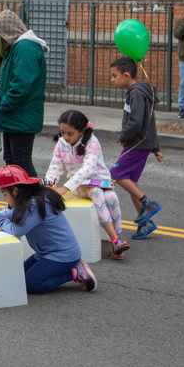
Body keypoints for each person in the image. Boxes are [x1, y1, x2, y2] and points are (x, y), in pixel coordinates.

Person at [0, 165, 96, 294]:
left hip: (62, 255)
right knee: (18, 276)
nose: (6, 200)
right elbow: (11, 213)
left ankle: (74, 272)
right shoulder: (30, 199)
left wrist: (1, 223)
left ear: (15, 191)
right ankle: (67, 269)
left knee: (31, 284)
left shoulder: (35, 204)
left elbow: (17, 230)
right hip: (46, 253)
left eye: (5, 195)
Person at [44, 109, 129, 260]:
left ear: (82, 131)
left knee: (111, 197)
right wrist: (48, 184)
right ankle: (116, 240)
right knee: (97, 194)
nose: (65, 137)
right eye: (62, 132)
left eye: (70, 134)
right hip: (80, 185)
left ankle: (117, 241)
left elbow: (88, 169)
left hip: (100, 180)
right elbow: (55, 168)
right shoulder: (61, 144)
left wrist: (65, 188)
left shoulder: (92, 142)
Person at [0, 9, 48, 177]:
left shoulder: (26, 48)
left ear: (6, 33)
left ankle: (33, 200)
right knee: (12, 160)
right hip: (15, 115)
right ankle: (19, 200)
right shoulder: (17, 48)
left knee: (21, 161)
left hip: (20, 115)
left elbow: (21, 85)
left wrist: (4, 106)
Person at [108, 56, 164, 241]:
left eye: (115, 76)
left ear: (126, 75)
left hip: (137, 143)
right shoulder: (140, 92)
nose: (112, 80)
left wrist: (123, 137)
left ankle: (147, 203)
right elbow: (150, 121)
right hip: (143, 142)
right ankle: (145, 223)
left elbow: (137, 121)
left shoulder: (136, 93)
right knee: (131, 180)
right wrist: (156, 147)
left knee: (115, 174)